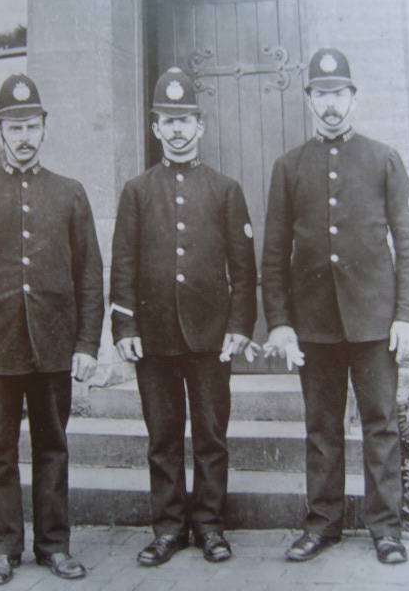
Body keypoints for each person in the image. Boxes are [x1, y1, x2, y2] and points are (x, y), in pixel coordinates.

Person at [261, 48, 409, 565]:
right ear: (309, 99)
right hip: (315, 325)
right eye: (321, 94)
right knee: (321, 427)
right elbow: (273, 254)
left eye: (339, 94)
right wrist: (282, 323)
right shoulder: (289, 168)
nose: (330, 105)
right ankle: (323, 524)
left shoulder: (384, 159)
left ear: (353, 98)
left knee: (380, 425)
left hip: (376, 323)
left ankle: (386, 529)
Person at [0, 74, 105, 585]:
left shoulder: (70, 194)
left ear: (44, 129)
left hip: (54, 346)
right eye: (13, 126)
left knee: (53, 447)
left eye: (31, 126)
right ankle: (4, 548)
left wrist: (86, 344)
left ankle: (54, 546)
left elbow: (89, 276)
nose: (23, 136)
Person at [110, 67, 257, 566]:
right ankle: (169, 528)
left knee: (212, 436)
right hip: (153, 337)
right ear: (155, 128)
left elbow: (243, 267)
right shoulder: (136, 190)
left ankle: (211, 525)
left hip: (212, 338)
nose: (176, 130)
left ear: (200, 126)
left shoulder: (225, 189)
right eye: (167, 121)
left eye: (185, 120)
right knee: (164, 436)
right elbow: (123, 263)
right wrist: (124, 326)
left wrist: (239, 327)